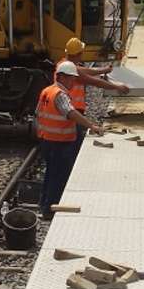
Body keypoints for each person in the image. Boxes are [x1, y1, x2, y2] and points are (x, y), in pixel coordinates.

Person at [37, 62, 102, 218]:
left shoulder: (47, 91)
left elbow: (38, 113)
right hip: (60, 141)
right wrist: (91, 125)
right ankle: (50, 210)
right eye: (71, 78)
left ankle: (43, 205)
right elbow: (70, 112)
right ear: (62, 77)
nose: (73, 82)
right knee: (58, 176)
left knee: (50, 173)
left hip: (46, 140)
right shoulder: (60, 94)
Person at [56, 37, 130, 160]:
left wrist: (104, 70)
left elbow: (85, 71)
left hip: (67, 112)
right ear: (79, 54)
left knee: (68, 147)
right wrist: (117, 86)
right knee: (71, 148)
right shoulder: (71, 71)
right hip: (71, 113)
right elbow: (93, 81)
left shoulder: (63, 64)